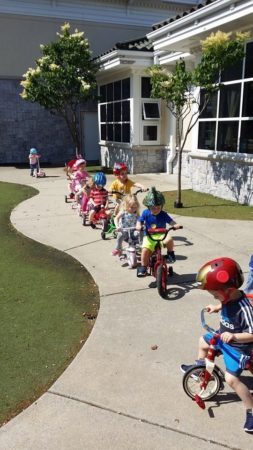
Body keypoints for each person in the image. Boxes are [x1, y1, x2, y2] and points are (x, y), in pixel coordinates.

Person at [180, 257, 253, 433]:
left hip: (238, 348)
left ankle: (250, 410)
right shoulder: (228, 298)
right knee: (203, 341)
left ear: (229, 290)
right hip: (223, 337)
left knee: (231, 379)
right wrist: (216, 306)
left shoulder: (244, 308)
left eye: (215, 294)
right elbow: (225, 302)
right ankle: (201, 368)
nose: (215, 297)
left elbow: (251, 334)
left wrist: (234, 336)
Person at [136, 186, 182, 277]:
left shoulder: (163, 214)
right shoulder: (145, 213)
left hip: (162, 234)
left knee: (169, 240)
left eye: (158, 207)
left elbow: (171, 221)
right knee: (145, 250)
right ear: (148, 207)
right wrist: (138, 225)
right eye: (153, 208)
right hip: (149, 235)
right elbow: (139, 220)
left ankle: (170, 254)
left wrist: (175, 225)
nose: (156, 209)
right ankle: (143, 267)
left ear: (162, 206)